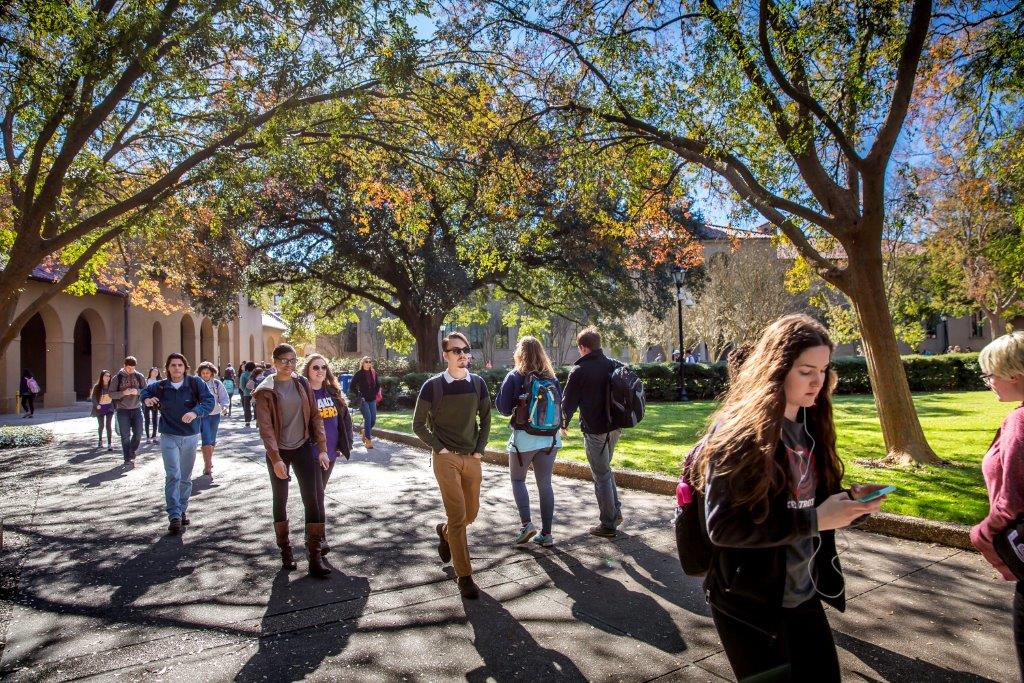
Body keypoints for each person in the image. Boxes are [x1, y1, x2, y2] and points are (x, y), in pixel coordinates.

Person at [690, 314, 889, 681]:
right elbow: (723, 528)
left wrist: (850, 504)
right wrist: (815, 520)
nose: (819, 381)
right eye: (806, 371)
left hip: (804, 594)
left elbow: (811, 502)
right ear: (776, 369)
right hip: (749, 603)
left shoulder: (812, 423)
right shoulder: (740, 433)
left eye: (825, 370)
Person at [412, 332, 492, 600]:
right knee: (458, 517)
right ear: (445, 355)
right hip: (445, 458)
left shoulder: (478, 384)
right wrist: (440, 448)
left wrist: (479, 451)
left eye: (465, 350)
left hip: (472, 457)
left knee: (471, 514)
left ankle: (444, 533)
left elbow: (486, 419)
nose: (461, 354)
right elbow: (417, 424)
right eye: (455, 350)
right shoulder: (433, 386)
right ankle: (465, 576)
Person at [971, 331, 1024, 679]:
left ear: (1014, 374)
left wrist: (982, 534)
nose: (988, 381)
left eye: (990, 374)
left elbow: (1014, 498)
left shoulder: (1020, 421)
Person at [254, 344, 332, 577]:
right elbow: (266, 428)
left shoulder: (302, 384)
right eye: (284, 361)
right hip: (279, 451)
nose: (289, 365)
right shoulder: (265, 390)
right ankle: (286, 551)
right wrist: (275, 458)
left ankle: (315, 556)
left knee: (314, 499)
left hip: (302, 447)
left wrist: (322, 449)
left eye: (293, 361)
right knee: (281, 499)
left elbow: (316, 417)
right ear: (274, 362)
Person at [495, 336, 562, 548]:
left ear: (519, 354)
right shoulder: (551, 378)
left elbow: (504, 409)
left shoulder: (515, 376)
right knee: (545, 483)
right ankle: (547, 533)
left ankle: (526, 525)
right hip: (551, 438)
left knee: (518, 480)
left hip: (525, 438)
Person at [141, 354, 216, 535]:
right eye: (173, 365)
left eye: (180, 365)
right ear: (167, 368)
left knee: (185, 477)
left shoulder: (194, 383)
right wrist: (147, 400)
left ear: (185, 367)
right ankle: (174, 515)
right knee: (173, 475)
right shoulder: (161, 386)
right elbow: (144, 392)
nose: (176, 368)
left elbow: (209, 401)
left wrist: (196, 412)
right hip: (168, 435)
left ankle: (182, 509)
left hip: (190, 436)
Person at [561, 327, 624, 538]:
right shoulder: (613, 364)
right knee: (606, 470)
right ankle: (615, 512)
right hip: (615, 426)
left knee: (601, 474)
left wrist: (563, 423)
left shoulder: (579, 371)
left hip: (595, 429)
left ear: (583, 347)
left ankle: (608, 524)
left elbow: (568, 402)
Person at [303, 353, 354, 556]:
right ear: (307, 370)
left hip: (331, 451)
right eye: (315, 367)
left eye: (323, 367)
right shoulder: (303, 393)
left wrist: (343, 445)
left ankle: (312, 534)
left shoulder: (332, 393)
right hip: (310, 452)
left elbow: (344, 422)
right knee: (317, 495)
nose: (320, 371)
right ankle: (318, 538)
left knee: (318, 494)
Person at [108, 356, 147, 466]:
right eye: (129, 368)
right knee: (125, 436)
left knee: (138, 433)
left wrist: (137, 391)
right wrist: (123, 393)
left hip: (136, 408)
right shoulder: (117, 378)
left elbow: (146, 390)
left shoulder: (139, 376)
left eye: (133, 368)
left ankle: (132, 451)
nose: (131, 370)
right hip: (122, 410)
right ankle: (127, 458)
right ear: (124, 366)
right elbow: (111, 394)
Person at [197, 362, 230, 479]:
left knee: (212, 439)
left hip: (215, 414)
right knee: (206, 437)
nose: (205, 375)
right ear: (200, 373)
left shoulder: (217, 383)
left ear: (212, 373)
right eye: (203, 373)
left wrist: (225, 407)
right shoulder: (196, 384)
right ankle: (207, 465)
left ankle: (209, 460)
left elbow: (224, 397)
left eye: (207, 373)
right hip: (202, 415)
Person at [352, 356, 381, 449]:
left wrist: (374, 393)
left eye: (370, 362)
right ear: (363, 363)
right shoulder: (359, 374)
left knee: (373, 420)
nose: (368, 363)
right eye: (366, 362)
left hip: (372, 399)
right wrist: (359, 395)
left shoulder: (373, 373)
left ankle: (365, 431)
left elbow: (378, 385)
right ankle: (368, 440)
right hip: (363, 400)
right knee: (368, 418)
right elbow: (352, 386)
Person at [90, 370, 115, 451]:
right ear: (102, 377)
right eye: (105, 376)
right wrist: (96, 405)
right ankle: (100, 440)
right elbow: (93, 397)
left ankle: (109, 444)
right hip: (100, 408)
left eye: (108, 376)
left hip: (109, 407)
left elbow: (115, 395)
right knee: (101, 425)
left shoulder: (112, 386)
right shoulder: (97, 386)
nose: (107, 377)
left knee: (108, 425)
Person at [144, 368, 161, 443]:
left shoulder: (159, 382)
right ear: (150, 372)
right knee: (147, 419)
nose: (155, 373)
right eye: (154, 371)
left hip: (155, 402)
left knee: (155, 419)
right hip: (147, 402)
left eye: (157, 372)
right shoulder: (146, 381)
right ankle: (148, 437)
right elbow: (143, 391)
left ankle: (154, 436)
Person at [239, 361, 256, 427]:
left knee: (247, 408)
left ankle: (247, 421)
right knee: (256, 407)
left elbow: (242, 385)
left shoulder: (243, 374)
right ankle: (257, 419)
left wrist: (245, 391)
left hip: (246, 394)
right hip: (255, 393)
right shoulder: (255, 374)